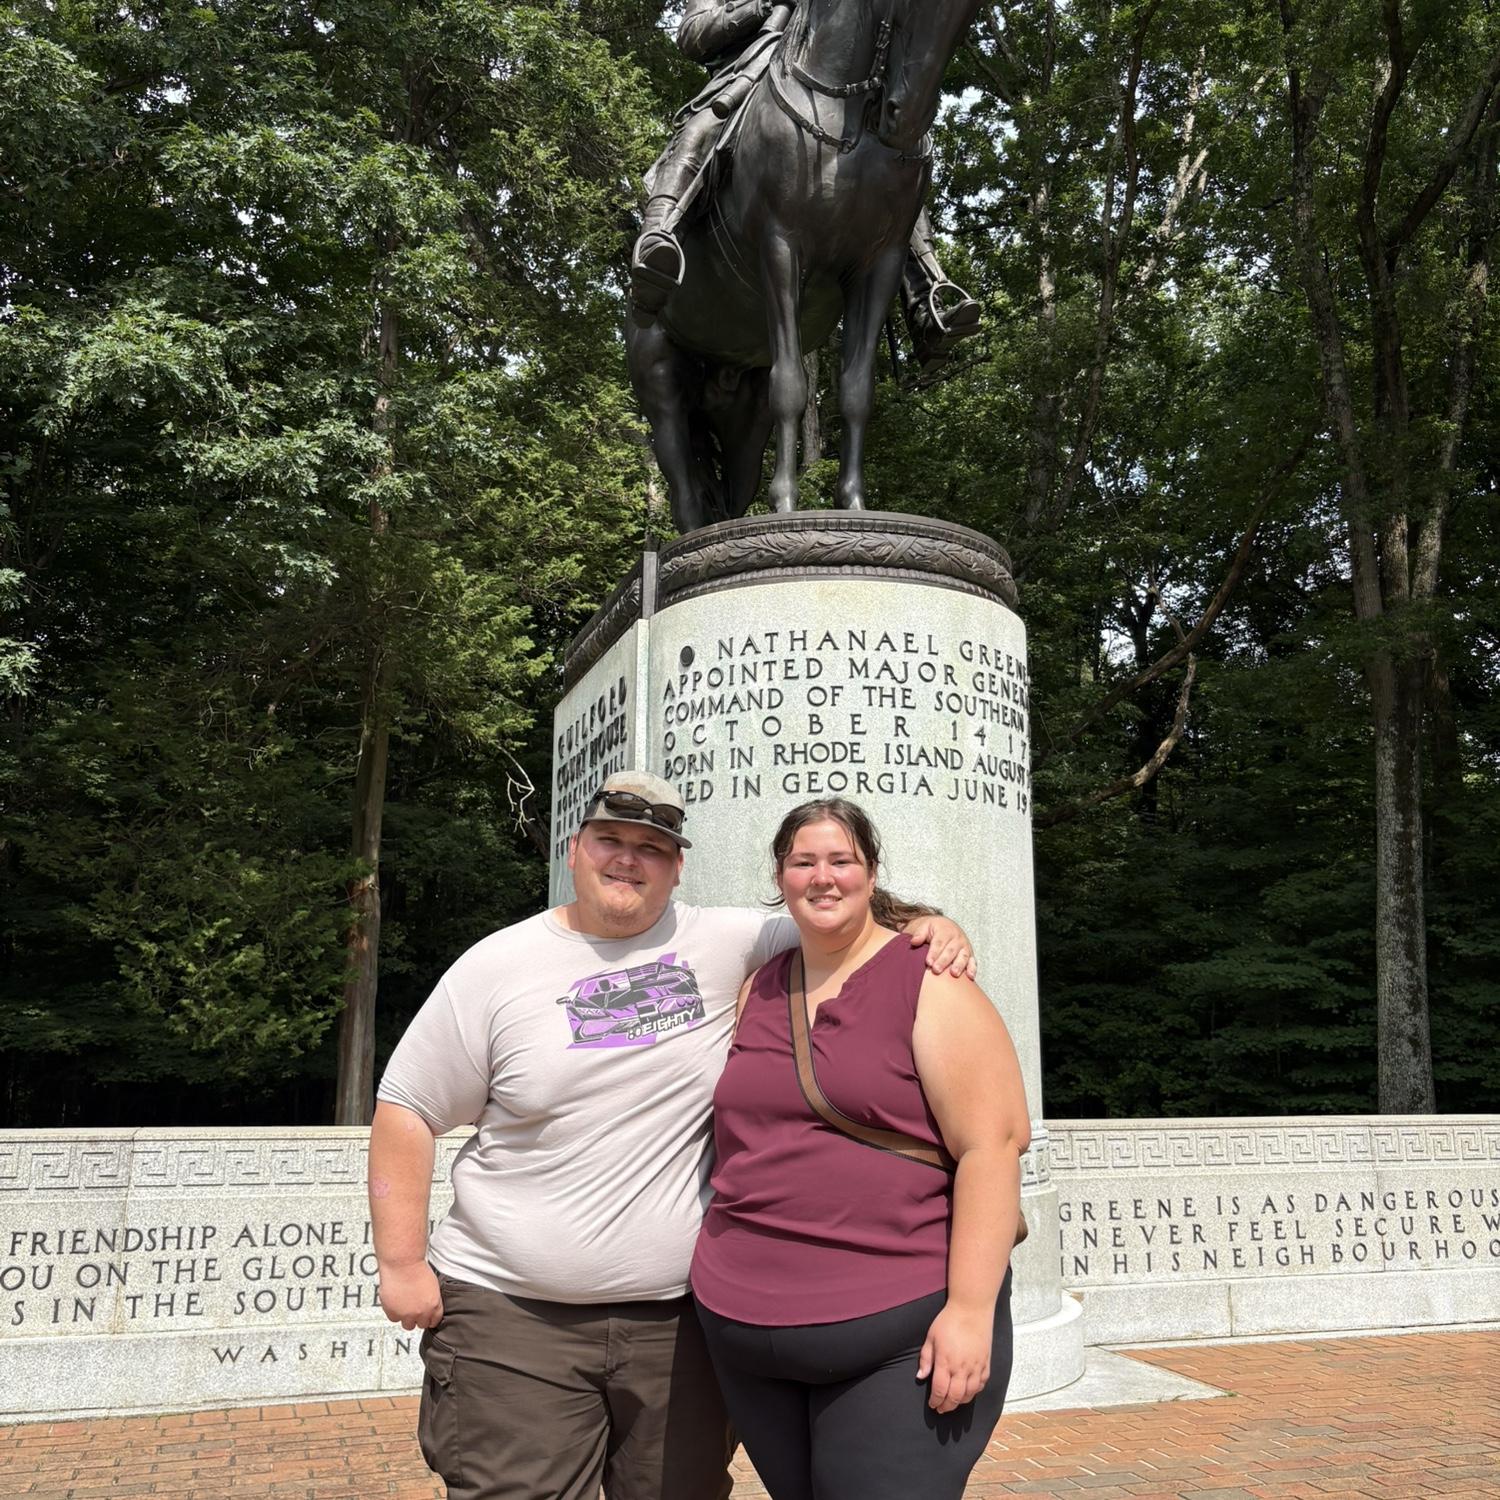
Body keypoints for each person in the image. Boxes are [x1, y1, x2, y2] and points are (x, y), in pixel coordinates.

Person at [369, 770, 976, 1500]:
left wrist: (933, 924)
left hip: (682, 1327)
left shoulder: (727, 941)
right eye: (610, 841)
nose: (628, 859)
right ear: (574, 849)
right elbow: (407, 1107)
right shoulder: (495, 966)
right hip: (512, 1321)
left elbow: (841, 917)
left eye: (651, 848)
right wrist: (402, 1263)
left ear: (677, 866)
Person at [690, 797, 1030, 1500]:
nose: (823, 877)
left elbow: (992, 1146)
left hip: (897, 1331)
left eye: (841, 860)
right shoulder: (759, 985)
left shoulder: (929, 978)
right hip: (745, 1331)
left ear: (871, 874)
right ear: (780, 878)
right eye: (804, 861)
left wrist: (970, 1311)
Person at [631, 0, 981, 374]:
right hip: (752, 65)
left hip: (837, 65)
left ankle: (925, 295)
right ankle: (659, 239)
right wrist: (761, 6)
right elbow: (692, 34)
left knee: (892, 160)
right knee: (701, 126)